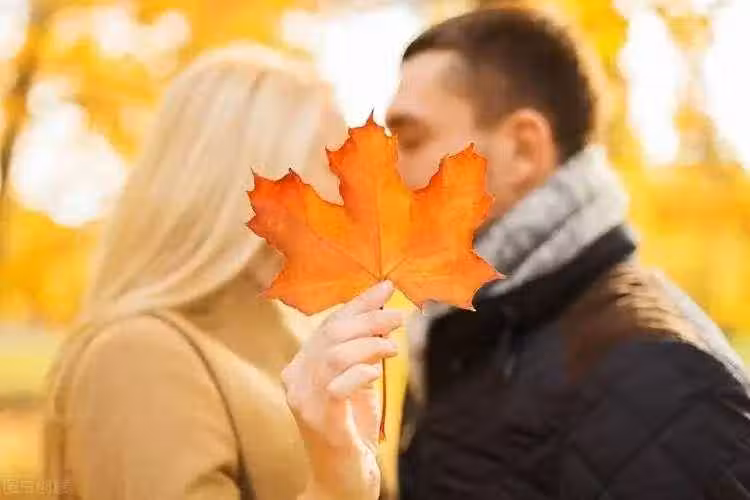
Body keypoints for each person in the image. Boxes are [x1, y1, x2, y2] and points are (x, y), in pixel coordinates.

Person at [284, 6, 750, 500]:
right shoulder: (469, 334)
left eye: (411, 139)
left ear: (523, 149)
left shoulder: (659, 378)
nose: (388, 171)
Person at [42, 45, 403, 500]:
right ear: (250, 182)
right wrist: (334, 489)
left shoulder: (293, 346)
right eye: (335, 164)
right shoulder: (137, 357)